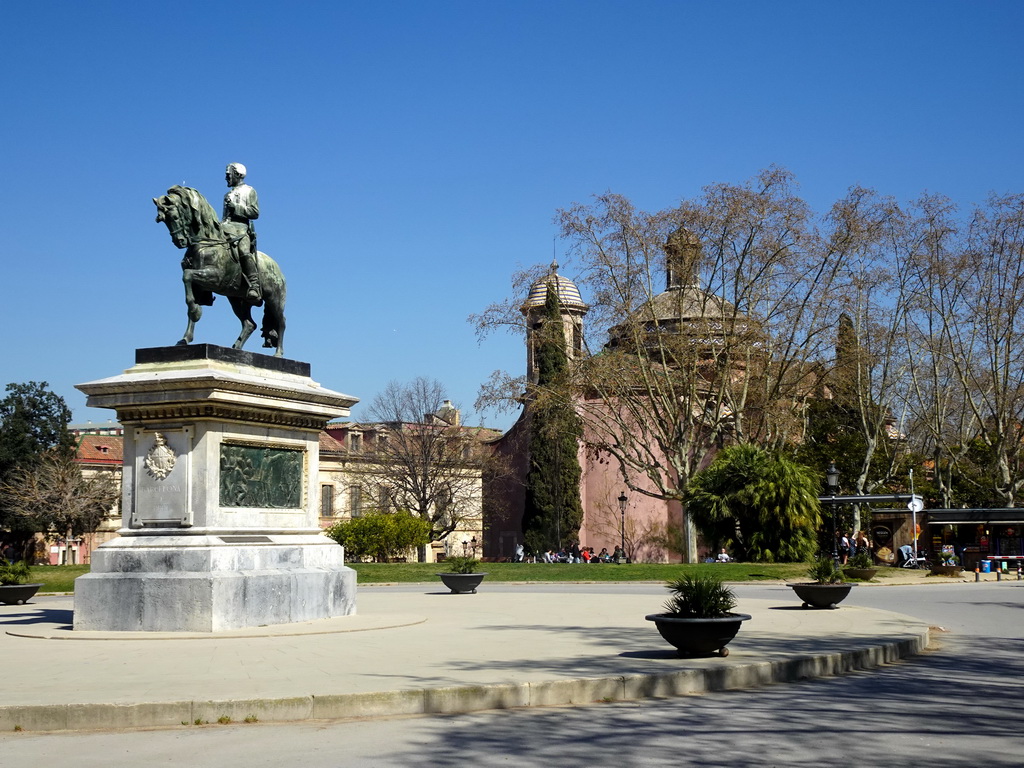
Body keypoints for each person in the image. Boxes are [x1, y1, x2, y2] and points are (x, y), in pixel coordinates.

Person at [222, 162, 262, 305]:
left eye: (228, 175)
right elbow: (225, 217)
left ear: (237, 174)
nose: (226, 178)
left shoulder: (249, 191)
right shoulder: (227, 194)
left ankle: (254, 286)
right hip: (226, 229)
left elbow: (255, 212)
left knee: (243, 251)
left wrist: (236, 207)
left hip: (241, 230)